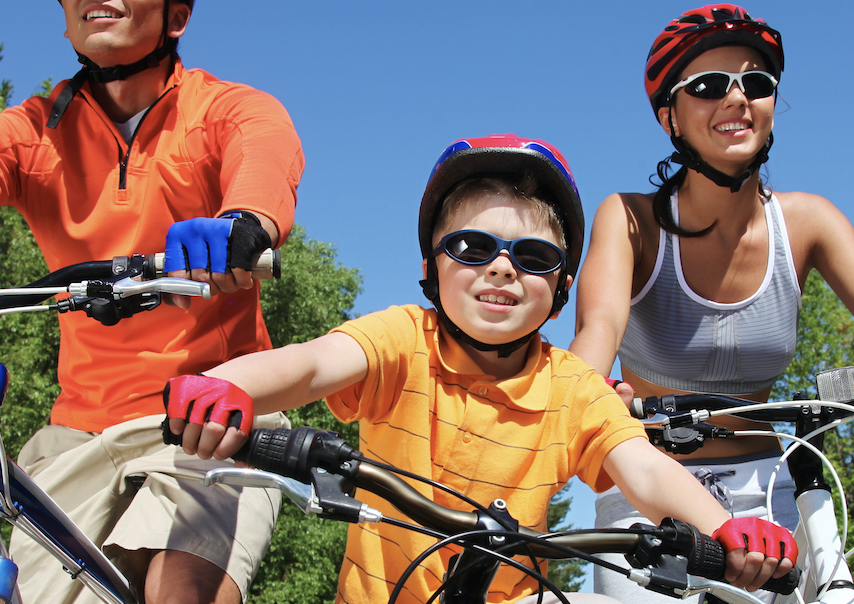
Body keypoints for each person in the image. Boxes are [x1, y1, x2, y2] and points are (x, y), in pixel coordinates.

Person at [163, 134, 797, 604]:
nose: (501, 267)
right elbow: (312, 365)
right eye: (471, 248)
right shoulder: (402, 340)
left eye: (532, 255)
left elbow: (646, 470)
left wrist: (727, 530)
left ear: (563, 287)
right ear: (428, 271)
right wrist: (228, 386)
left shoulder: (571, 388)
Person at [0, 0, 305, 602]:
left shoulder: (222, 109)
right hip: (78, 429)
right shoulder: (31, 132)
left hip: (212, 412)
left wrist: (244, 223)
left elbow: (264, 147)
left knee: (182, 587)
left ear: (176, 17)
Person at [568, 4, 854, 603]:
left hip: (774, 484)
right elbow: (596, 336)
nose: (736, 100)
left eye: (755, 83)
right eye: (707, 87)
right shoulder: (629, 220)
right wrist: (576, 398)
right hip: (650, 493)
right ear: (671, 117)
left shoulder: (810, 223)